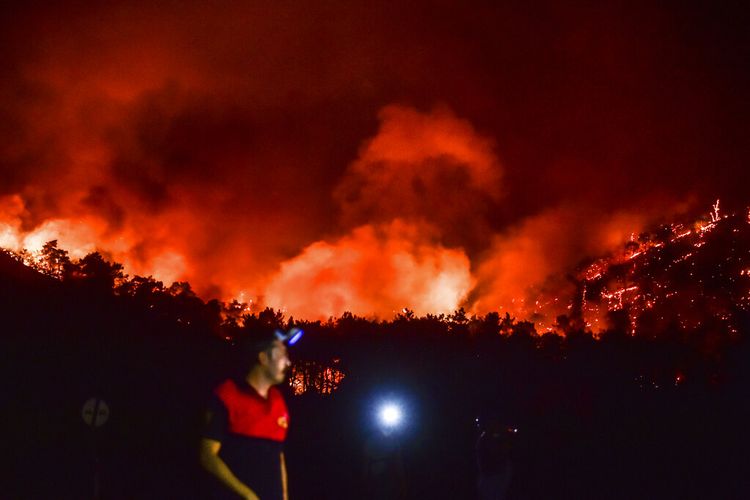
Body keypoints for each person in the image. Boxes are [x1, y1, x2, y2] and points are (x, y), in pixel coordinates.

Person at [200, 326, 298, 500]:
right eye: (282, 355)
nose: (288, 362)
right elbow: (207, 455)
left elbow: (278, 456)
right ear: (263, 358)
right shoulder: (228, 395)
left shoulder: (278, 402)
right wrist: (247, 495)